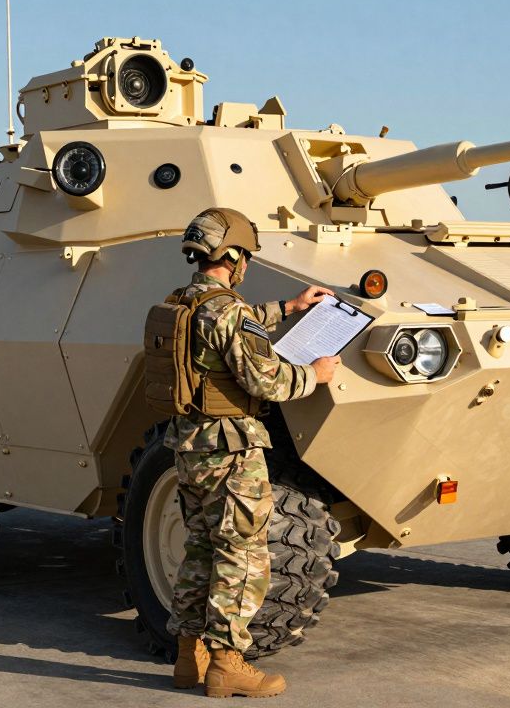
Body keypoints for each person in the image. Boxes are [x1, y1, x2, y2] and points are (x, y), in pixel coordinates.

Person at [164, 207, 339, 698]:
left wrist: (288, 307)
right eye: (246, 257)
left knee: (201, 548)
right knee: (241, 555)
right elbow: (265, 379)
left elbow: (231, 329)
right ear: (234, 255)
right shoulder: (228, 312)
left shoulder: (184, 301)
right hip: (231, 452)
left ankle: (189, 655)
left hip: (191, 447)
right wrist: (315, 375)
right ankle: (226, 664)